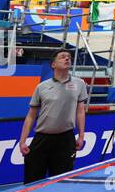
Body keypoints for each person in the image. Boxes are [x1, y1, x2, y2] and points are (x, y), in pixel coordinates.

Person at [18, 50, 88, 183]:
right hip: (42, 139)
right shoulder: (42, 87)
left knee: (62, 183)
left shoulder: (79, 84)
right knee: (32, 181)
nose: (67, 59)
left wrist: (81, 135)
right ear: (53, 64)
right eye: (62, 57)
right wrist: (22, 141)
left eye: (69, 57)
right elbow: (31, 116)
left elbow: (80, 111)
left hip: (66, 140)